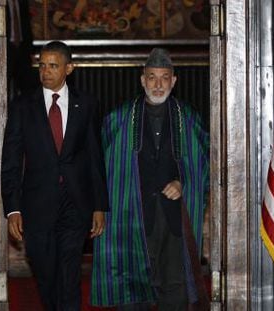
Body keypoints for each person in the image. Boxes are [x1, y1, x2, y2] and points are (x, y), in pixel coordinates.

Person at [90, 48, 210, 311]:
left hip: (174, 219)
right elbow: (97, 167)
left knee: (175, 286)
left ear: (174, 81)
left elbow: (206, 163)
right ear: (142, 80)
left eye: (164, 78)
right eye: (152, 77)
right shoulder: (118, 119)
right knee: (133, 288)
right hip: (131, 216)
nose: (158, 84)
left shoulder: (188, 118)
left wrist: (182, 182)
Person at [1, 40, 109, 311]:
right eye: (42, 66)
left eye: (53, 65)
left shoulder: (87, 104)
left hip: (76, 204)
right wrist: (12, 209)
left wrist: (99, 205)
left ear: (69, 68)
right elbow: (11, 160)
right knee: (46, 274)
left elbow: (95, 158)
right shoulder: (22, 106)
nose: (45, 71)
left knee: (70, 275)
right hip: (37, 206)